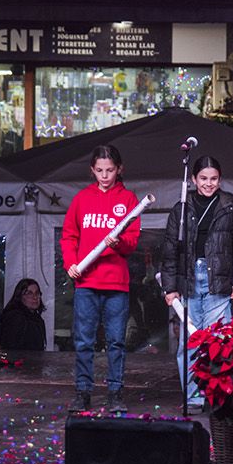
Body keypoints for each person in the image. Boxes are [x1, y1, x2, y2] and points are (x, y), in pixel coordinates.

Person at [161, 155, 233, 409]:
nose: (208, 184)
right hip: (188, 279)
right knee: (189, 343)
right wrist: (170, 287)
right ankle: (193, 397)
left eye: (213, 179)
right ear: (193, 179)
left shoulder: (230, 206)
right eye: (203, 178)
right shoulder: (181, 207)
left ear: (220, 180)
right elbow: (169, 251)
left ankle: (217, 395)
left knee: (219, 341)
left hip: (218, 280)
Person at [61, 145, 142, 414]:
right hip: (86, 282)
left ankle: (115, 392)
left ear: (119, 169)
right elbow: (69, 235)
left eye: (109, 170)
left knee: (116, 341)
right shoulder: (82, 199)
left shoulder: (129, 200)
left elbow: (132, 243)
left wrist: (118, 242)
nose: (104, 175)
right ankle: (83, 391)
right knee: (84, 341)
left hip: (116, 283)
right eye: (99, 170)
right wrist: (70, 263)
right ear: (92, 170)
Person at [0, 278, 47, 363]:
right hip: (12, 370)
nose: (35, 297)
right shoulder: (15, 318)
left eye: (37, 293)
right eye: (29, 293)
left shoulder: (36, 319)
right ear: (20, 297)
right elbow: (10, 350)